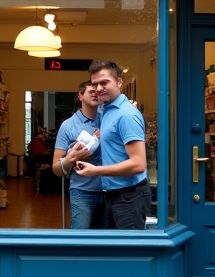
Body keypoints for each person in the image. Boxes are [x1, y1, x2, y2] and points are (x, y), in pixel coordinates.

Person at [75, 60, 150, 230]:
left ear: (118, 82)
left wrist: (96, 171)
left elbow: (138, 164)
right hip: (115, 194)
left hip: (130, 196)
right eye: (95, 84)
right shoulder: (107, 109)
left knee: (129, 254)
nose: (99, 88)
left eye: (104, 82)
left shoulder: (126, 115)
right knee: (116, 252)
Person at [52, 81, 105, 229]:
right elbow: (56, 169)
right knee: (80, 240)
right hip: (82, 193)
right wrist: (71, 158)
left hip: (111, 192)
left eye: (98, 92)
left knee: (106, 244)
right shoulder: (68, 126)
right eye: (91, 91)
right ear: (80, 96)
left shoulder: (110, 120)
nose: (95, 94)